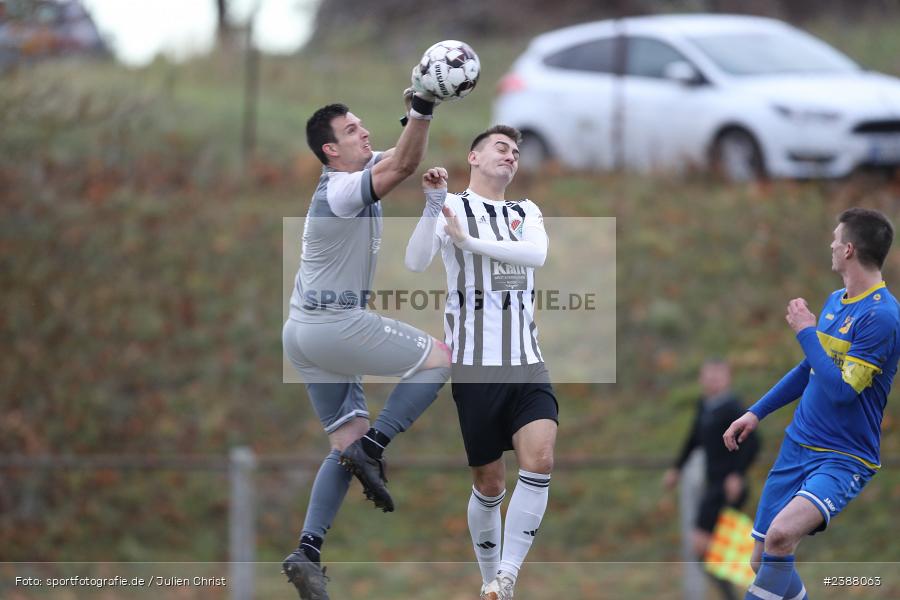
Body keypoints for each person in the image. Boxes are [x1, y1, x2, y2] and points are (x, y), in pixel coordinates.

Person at [280, 83, 454, 600]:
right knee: (438, 358)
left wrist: (415, 114)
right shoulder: (339, 189)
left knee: (344, 440)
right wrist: (424, 105)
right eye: (352, 130)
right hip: (334, 324)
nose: (364, 132)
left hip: (301, 333)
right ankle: (374, 449)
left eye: (361, 125)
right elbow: (404, 166)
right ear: (330, 150)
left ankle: (307, 551)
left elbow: (404, 156)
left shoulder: (356, 172)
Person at [405, 125, 557, 600]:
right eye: (501, 148)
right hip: (475, 366)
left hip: (527, 361)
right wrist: (432, 205)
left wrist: (470, 243)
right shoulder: (453, 207)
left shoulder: (525, 211)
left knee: (541, 460)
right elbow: (415, 262)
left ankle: (507, 576)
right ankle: (490, 579)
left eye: (515, 152)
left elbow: (536, 254)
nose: (511, 156)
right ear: (473, 157)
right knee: (490, 485)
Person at [723, 208, 899, 600]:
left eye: (836, 239)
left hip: (843, 456)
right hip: (797, 446)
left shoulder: (882, 316)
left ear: (849, 249)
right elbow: (810, 369)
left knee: (781, 536)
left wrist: (806, 331)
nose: (831, 245)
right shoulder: (837, 301)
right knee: (761, 560)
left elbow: (843, 391)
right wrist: (756, 412)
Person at [663, 359, 759, 600]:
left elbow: (754, 443)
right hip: (713, 485)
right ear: (701, 379)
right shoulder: (705, 405)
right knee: (707, 549)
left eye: (718, 376)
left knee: (707, 546)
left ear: (727, 379)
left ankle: (764, 583)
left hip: (727, 487)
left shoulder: (734, 408)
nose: (713, 381)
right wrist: (677, 469)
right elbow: (694, 438)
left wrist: (737, 474)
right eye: (709, 376)